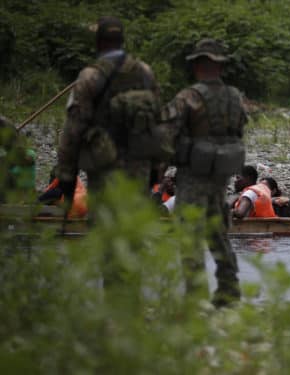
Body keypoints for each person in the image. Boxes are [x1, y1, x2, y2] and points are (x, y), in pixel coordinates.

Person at [162, 38, 248, 308]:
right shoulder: (235, 97)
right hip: (220, 177)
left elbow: (167, 138)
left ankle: (195, 293)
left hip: (192, 177)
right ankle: (228, 289)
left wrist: (157, 173)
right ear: (220, 66)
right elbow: (238, 132)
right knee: (219, 232)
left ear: (199, 64)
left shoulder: (188, 97)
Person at [56, 16, 166, 206]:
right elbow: (158, 123)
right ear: (122, 41)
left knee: (105, 226)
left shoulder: (90, 76)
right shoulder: (145, 72)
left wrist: (67, 175)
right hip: (139, 167)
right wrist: (156, 169)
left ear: (98, 42)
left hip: (104, 168)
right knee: (134, 227)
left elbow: (73, 130)